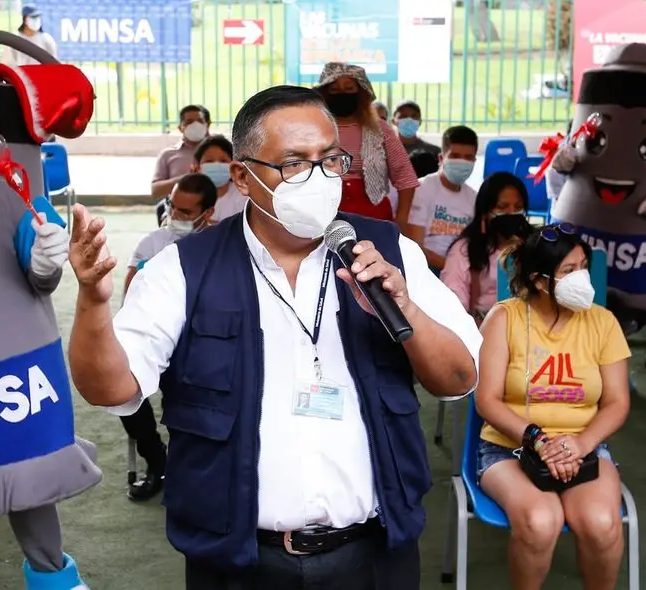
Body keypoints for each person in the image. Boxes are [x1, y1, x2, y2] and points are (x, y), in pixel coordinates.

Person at [68, 85, 481, 589]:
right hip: (238, 562)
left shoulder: (390, 253)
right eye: (292, 163)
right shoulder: (183, 269)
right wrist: (91, 300)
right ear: (242, 177)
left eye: (329, 160)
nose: (317, 177)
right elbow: (110, 388)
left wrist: (406, 307)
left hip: (374, 555)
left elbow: (458, 378)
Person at [475, 225, 631, 590]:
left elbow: (617, 402)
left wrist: (580, 443)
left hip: (584, 446)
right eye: (568, 271)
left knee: (601, 523)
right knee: (540, 521)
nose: (581, 278)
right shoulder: (504, 319)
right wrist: (539, 440)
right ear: (540, 281)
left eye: (583, 267)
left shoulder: (602, 322)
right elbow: (487, 401)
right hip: (508, 449)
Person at [120, 173, 217, 501]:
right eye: (172, 207)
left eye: (186, 212)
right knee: (125, 397)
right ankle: (156, 460)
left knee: (190, 404)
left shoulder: (219, 246)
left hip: (200, 341)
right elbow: (130, 291)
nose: (175, 216)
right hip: (153, 335)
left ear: (208, 213)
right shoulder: (152, 243)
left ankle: (190, 468)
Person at [315, 62, 420, 227]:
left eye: (349, 89)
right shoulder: (314, 128)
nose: (342, 94)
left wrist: (401, 221)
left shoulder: (380, 130)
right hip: (323, 214)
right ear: (324, 94)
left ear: (362, 93)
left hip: (373, 216)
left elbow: (405, 178)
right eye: (334, 90)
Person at [441, 172, 532, 325]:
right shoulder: (464, 250)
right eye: (502, 207)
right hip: (482, 330)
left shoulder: (533, 244)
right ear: (485, 212)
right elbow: (453, 300)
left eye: (518, 207)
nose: (511, 213)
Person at [406, 125, 480, 272]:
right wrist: (454, 269)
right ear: (441, 157)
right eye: (455, 156)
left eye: (468, 158)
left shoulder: (474, 198)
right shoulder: (422, 189)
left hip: (461, 271)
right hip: (426, 269)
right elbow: (416, 248)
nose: (462, 162)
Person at [152, 104, 212, 201]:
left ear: (207, 125)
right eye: (189, 122)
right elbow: (156, 191)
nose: (195, 125)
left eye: (200, 121)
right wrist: (184, 180)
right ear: (180, 127)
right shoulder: (168, 155)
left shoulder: (223, 151)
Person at [190, 134, 247, 223]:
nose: (216, 165)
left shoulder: (243, 197)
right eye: (209, 161)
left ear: (233, 165)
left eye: (223, 161)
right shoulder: (188, 195)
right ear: (197, 167)